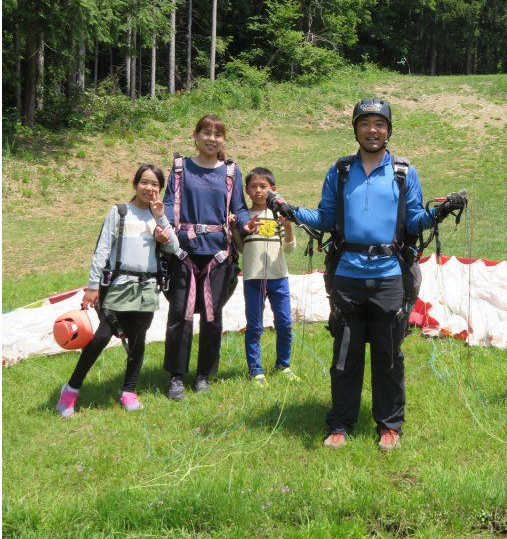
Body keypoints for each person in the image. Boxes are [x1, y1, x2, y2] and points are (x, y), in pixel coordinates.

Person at [267, 98, 466, 450]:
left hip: (390, 274)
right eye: (365, 123)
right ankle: (340, 423)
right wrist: (290, 210)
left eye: (380, 124)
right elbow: (326, 219)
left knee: (389, 355)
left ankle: (389, 425)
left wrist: (441, 211)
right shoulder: (341, 171)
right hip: (347, 274)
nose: (373, 130)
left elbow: (415, 220)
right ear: (355, 128)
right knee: (345, 353)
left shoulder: (404, 172)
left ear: (389, 130)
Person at [55, 164, 180, 417]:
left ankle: (129, 391)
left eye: (155, 184)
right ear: (135, 184)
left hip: (146, 288)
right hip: (119, 286)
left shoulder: (158, 217)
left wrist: (161, 218)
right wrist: (92, 286)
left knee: (138, 341)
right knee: (101, 337)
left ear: (160, 189)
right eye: (144, 182)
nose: (149, 188)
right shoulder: (120, 212)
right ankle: (70, 390)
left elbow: (174, 248)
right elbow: (102, 250)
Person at [161, 115, 260, 400]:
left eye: (218, 134)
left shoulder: (230, 172)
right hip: (184, 252)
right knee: (180, 314)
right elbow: (170, 203)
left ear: (224, 141)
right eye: (206, 132)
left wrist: (245, 224)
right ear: (195, 135)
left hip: (218, 254)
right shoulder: (181, 168)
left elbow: (239, 207)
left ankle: (204, 374)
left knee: (212, 316)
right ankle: (176, 376)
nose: (211, 139)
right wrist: (162, 224)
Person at [234, 167, 298, 386]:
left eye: (263, 186)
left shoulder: (279, 216)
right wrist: (236, 229)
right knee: (255, 325)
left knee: (285, 323)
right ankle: (255, 370)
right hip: (253, 278)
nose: (259, 191)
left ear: (273, 190)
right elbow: (241, 249)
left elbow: (289, 249)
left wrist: (288, 228)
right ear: (247, 191)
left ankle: (283, 365)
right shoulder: (245, 218)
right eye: (254, 187)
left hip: (279, 277)